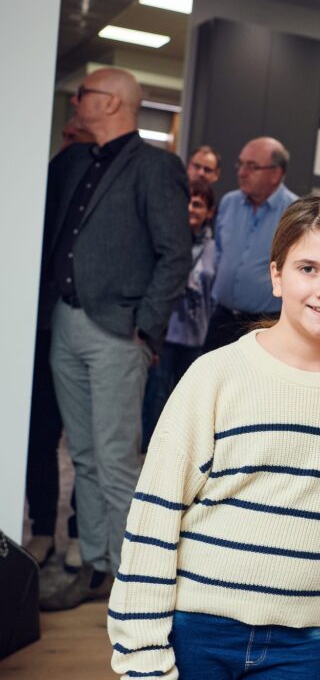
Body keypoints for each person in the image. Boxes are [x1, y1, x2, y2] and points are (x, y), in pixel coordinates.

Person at [108, 196, 320, 679]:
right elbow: (154, 516)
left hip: (303, 645)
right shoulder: (216, 376)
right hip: (199, 630)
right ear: (277, 276)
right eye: (308, 269)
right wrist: (141, 656)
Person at [39, 67, 191, 611]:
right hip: (64, 322)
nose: (76, 101)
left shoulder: (156, 166)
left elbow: (176, 254)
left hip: (117, 332)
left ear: (112, 102)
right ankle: (96, 567)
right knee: (82, 455)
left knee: (116, 460)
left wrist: (144, 327)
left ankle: (135, 583)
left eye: (85, 94)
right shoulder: (72, 161)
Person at [24, 113, 95, 569]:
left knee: (86, 444)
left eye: (76, 135)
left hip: (88, 327)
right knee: (41, 435)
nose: (67, 141)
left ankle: (80, 535)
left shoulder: (101, 188)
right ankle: (43, 529)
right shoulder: (49, 177)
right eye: (66, 134)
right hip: (41, 324)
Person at [140, 179, 219, 453]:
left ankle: (180, 451)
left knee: (189, 399)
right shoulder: (169, 240)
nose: (191, 209)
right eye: (187, 202)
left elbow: (215, 291)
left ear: (209, 211)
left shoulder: (214, 248)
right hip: (167, 333)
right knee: (157, 396)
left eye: (198, 204)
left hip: (195, 336)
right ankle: (152, 452)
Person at [203, 136, 298, 352]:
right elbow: (219, 253)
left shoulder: (295, 213)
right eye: (240, 164)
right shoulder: (229, 203)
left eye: (252, 166)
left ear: (276, 174)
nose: (241, 172)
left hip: (264, 324)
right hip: (220, 319)